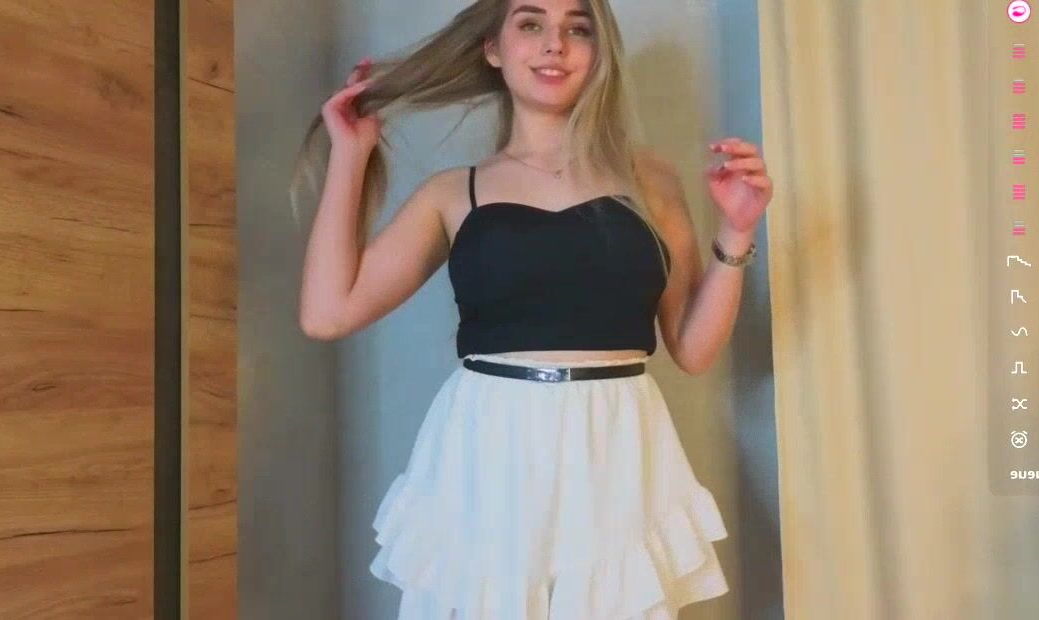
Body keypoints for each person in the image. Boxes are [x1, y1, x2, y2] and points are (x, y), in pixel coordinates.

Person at [292, 0, 772, 617]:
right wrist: (351, 153)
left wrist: (736, 230)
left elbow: (694, 349)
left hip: (616, 445)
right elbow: (327, 314)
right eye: (530, 23)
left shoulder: (649, 180)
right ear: (493, 48)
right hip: (492, 445)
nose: (555, 43)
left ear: (598, 51)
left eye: (577, 28)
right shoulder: (453, 192)